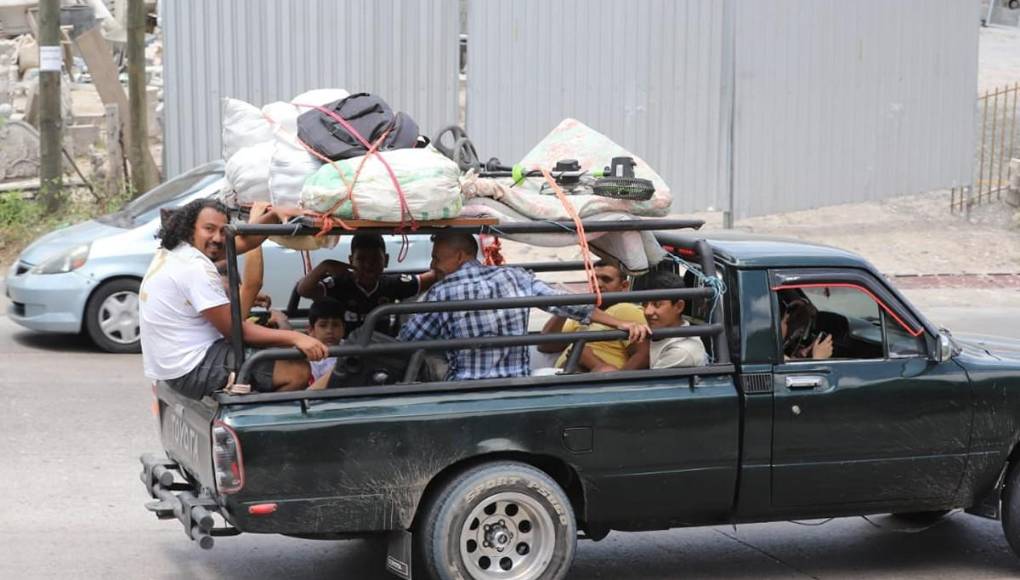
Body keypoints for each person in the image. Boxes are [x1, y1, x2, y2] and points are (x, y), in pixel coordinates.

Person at [140, 199, 328, 399]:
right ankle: (257, 418)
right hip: (192, 368)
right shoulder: (194, 267)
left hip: (174, 364)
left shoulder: (175, 250)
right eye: (209, 229)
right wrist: (296, 337)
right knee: (296, 371)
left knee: (274, 347)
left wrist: (274, 215)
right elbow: (235, 331)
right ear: (190, 229)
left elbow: (245, 241)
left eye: (223, 231)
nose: (217, 238)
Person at [398, 232, 651, 381]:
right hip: (516, 382)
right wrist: (620, 324)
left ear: (460, 256)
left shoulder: (441, 292)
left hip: (464, 386)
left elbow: (408, 341)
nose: (433, 266)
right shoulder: (514, 276)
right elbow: (566, 304)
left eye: (437, 258)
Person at [296, 233, 439, 336]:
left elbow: (433, 276)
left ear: (386, 260)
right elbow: (303, 290)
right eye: (361, 259)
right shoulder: (339, 284)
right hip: (346, 352)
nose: (368, 265)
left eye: (375, 259)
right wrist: (324, 266)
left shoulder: (393, 284)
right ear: (351, 260)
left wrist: (440, 259)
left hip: (382, 351)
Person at [539, 260, 650, 372]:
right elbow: (545, 346)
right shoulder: (580, 315)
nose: (598, 284)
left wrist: (619, 378)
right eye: (594, 279)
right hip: (562, 373)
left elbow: (643, 354)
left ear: (624, 286)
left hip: (599, 376)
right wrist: (567, 308)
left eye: (606, 279)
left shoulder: (626, 310)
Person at [639, 270, 708, 369]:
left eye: (657, 304)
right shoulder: (660, 332)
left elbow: (651, 380)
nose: (647, 311)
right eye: (644, 304)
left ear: (679, 306)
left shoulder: (682, 351)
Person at [306, 298, 346, 389]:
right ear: (311, 330)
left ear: (343, 329)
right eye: (323, 325)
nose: (329, 331)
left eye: (335, 325)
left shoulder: (352, 349)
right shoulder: (306, 355)